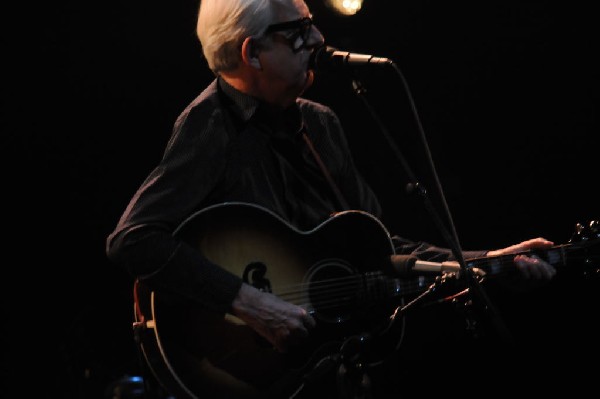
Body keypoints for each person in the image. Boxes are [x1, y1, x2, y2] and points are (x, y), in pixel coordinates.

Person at [106, 0, 559, 397]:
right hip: (241, 370)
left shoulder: (320, 124)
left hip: (327, 372)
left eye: (313, 24)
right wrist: (248, 301)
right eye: (299, 31)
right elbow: (133, 238)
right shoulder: (210, 126)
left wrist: (490, 260)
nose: (319, 38)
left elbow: (380, 249)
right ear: (253, 53)